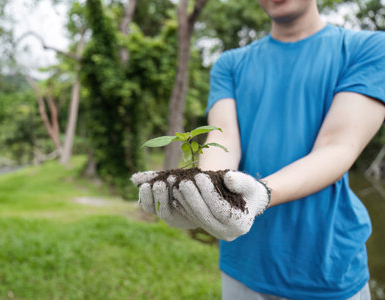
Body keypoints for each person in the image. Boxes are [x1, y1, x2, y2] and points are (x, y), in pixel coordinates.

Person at [131, 0, 385, 299]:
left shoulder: (368, 47)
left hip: (325, 265)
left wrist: (261, 193)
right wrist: (204, 191)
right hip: (242, 262)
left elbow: (338, 145)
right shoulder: (230, 64)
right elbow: (223, 139)